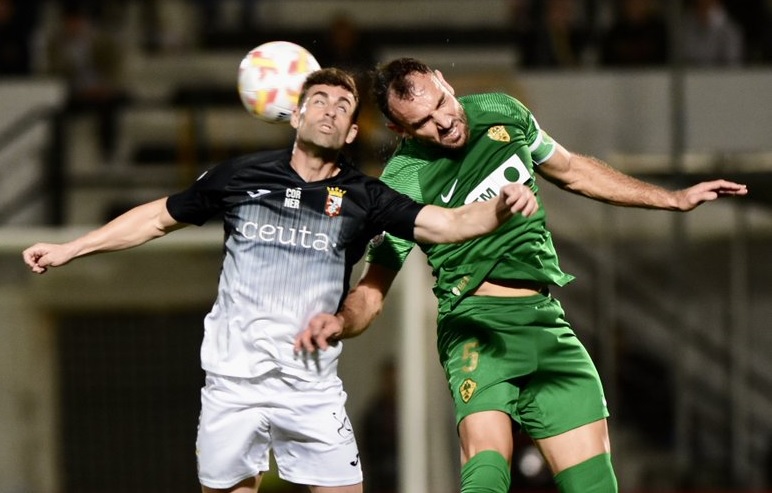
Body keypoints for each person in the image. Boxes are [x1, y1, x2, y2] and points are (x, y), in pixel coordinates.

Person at [22, 67, 539, 493]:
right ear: (295, 115)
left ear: (353, 133)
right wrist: (73, 247)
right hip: (232, 384)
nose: (330, 110)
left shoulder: (367, 197)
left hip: (310, 387)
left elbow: (447, 223)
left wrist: (501, 205)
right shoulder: (241, 177)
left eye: (343, 106)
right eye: (319, 100)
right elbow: (155, 218)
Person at [294, 58, 749, 493]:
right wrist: (341, 321)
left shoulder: (501, 110)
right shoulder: (400, 181)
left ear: (442, 81)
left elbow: (571, 171)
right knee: (488, 469)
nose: (444, 121)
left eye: (441, 104)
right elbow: (375, 286)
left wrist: (671, 199)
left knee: (595, 484)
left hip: (545, 321)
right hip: (475, 327)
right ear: (399, 130)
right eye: (423, 123)